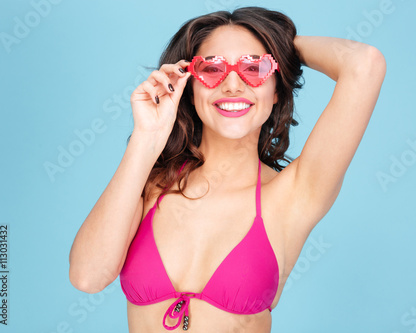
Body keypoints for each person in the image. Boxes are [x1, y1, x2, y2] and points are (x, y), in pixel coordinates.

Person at [69, 6, 386, 332]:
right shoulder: (150, 184)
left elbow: (364, 64)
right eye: (212, 68)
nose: (233, 85)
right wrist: (145, 139)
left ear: (275, 90)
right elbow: (87, 277)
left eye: (253, 68)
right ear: (190, 87)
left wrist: (281, 46)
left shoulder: (293, 194)